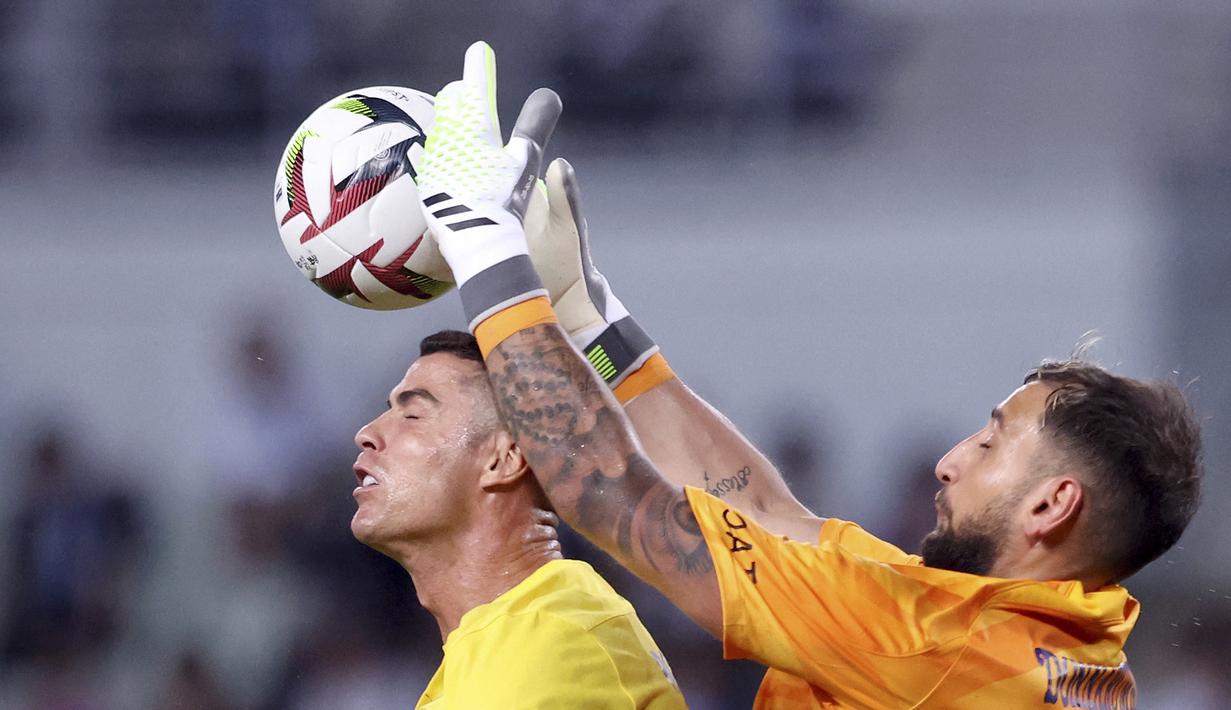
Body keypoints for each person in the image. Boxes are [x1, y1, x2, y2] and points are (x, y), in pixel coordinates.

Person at [413, 42, 1204, 708]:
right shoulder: (1023, 630)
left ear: (1052, 504)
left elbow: (610, 494)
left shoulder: (940, 652)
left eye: (991, 445)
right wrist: (592, 325)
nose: (949, 459)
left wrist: (484, 250)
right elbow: (763, 513)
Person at [349, 329, 685, 708]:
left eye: (412, 415)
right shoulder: (503, 643)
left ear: (504, 459)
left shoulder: (551, 646)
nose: (367, 433)